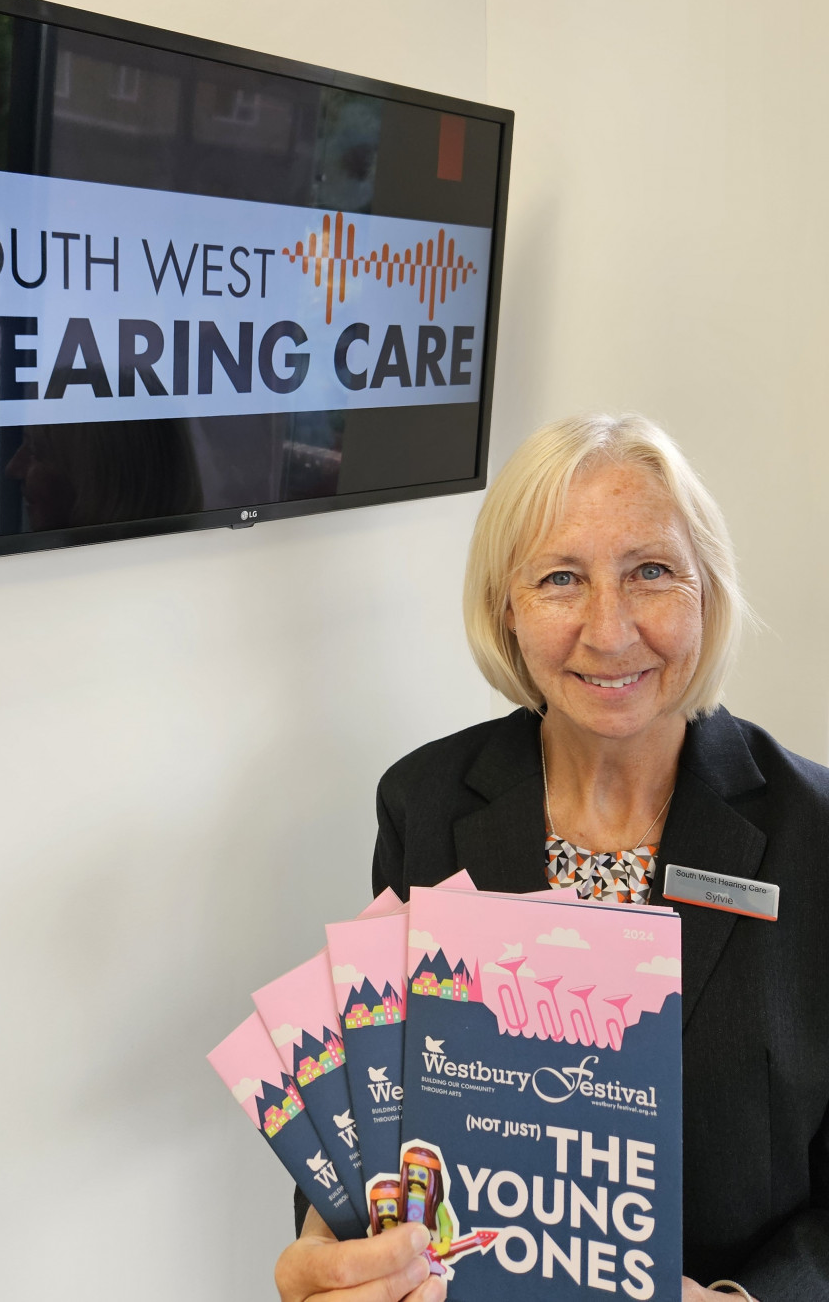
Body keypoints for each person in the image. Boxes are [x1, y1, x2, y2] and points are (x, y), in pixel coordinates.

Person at [275, 414, 829, 1302]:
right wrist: (334, 1249)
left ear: (707, 593)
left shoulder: (817, 832)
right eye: (561, 578)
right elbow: (371, 1109)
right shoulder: (426, 801)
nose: (609, 633)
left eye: (651, 572)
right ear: (507, 607)